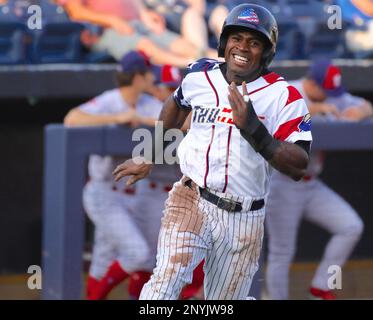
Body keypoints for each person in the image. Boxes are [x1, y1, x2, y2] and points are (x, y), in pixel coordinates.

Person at [113, 3, 312, 300]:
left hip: (245, 215)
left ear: (267, 51)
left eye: (254, 41)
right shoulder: (199, 75)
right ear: (223, 42)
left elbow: (298, 165)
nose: (242, 47)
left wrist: (255, 129)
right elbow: (176, 104)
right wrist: (150, 154)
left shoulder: (284, 95)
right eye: (236, 38)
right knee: (163, 286)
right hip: (192, 197)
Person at [265, 58, 371, 300]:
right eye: (324, 89)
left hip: (312, 184)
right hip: (282, 182)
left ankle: (320, 287)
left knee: (350, 226)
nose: (329, 96)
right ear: (311, 83)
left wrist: (359, 112)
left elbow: (366, 105)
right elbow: (269, 115)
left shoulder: (331, 96)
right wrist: (315, 110)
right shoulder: (288, 89)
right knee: (282, 252)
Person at [59, 0, 202, 68]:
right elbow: (76, 11)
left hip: (137, 24)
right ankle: (190, 65)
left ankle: (213, 61)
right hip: (105, 31)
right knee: (144, 45)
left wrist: (144, 14)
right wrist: (112, 20)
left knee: (178, 43)